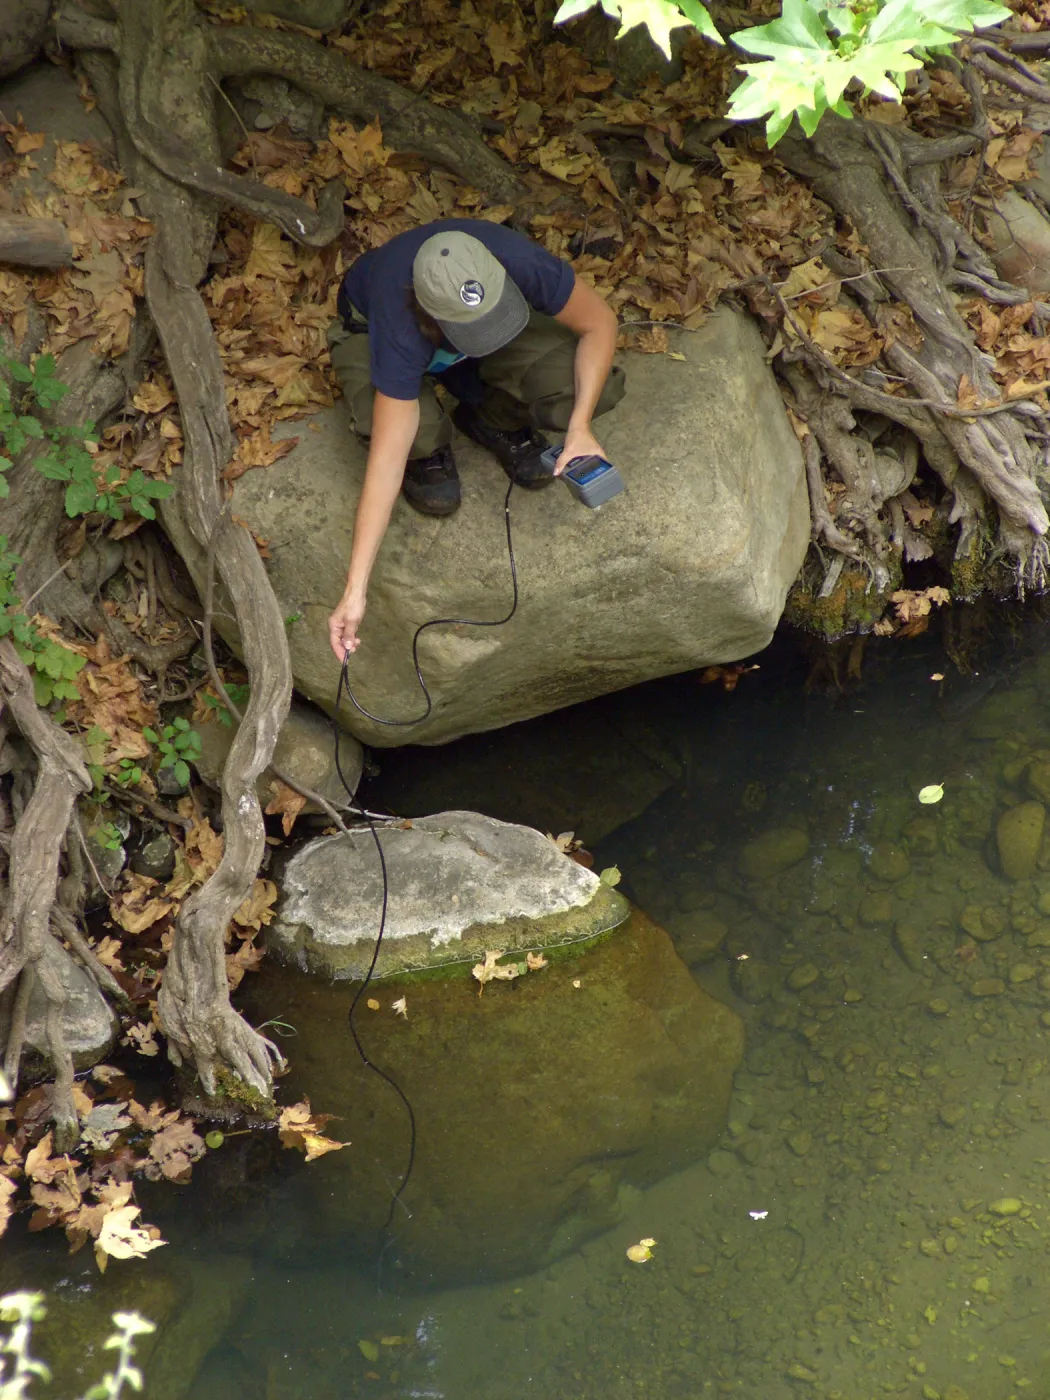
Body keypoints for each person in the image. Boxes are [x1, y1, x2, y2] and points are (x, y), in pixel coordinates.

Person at [325, 218, 625, 660]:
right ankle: (430, 450)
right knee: (414, 435)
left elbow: (599, 323)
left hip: (460, 332)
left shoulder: (513, 258)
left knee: (583, 387)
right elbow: (385, 463)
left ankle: (492, 417)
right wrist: (355, 592)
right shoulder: (397, 322)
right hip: (372, 331)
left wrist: (580, 427)